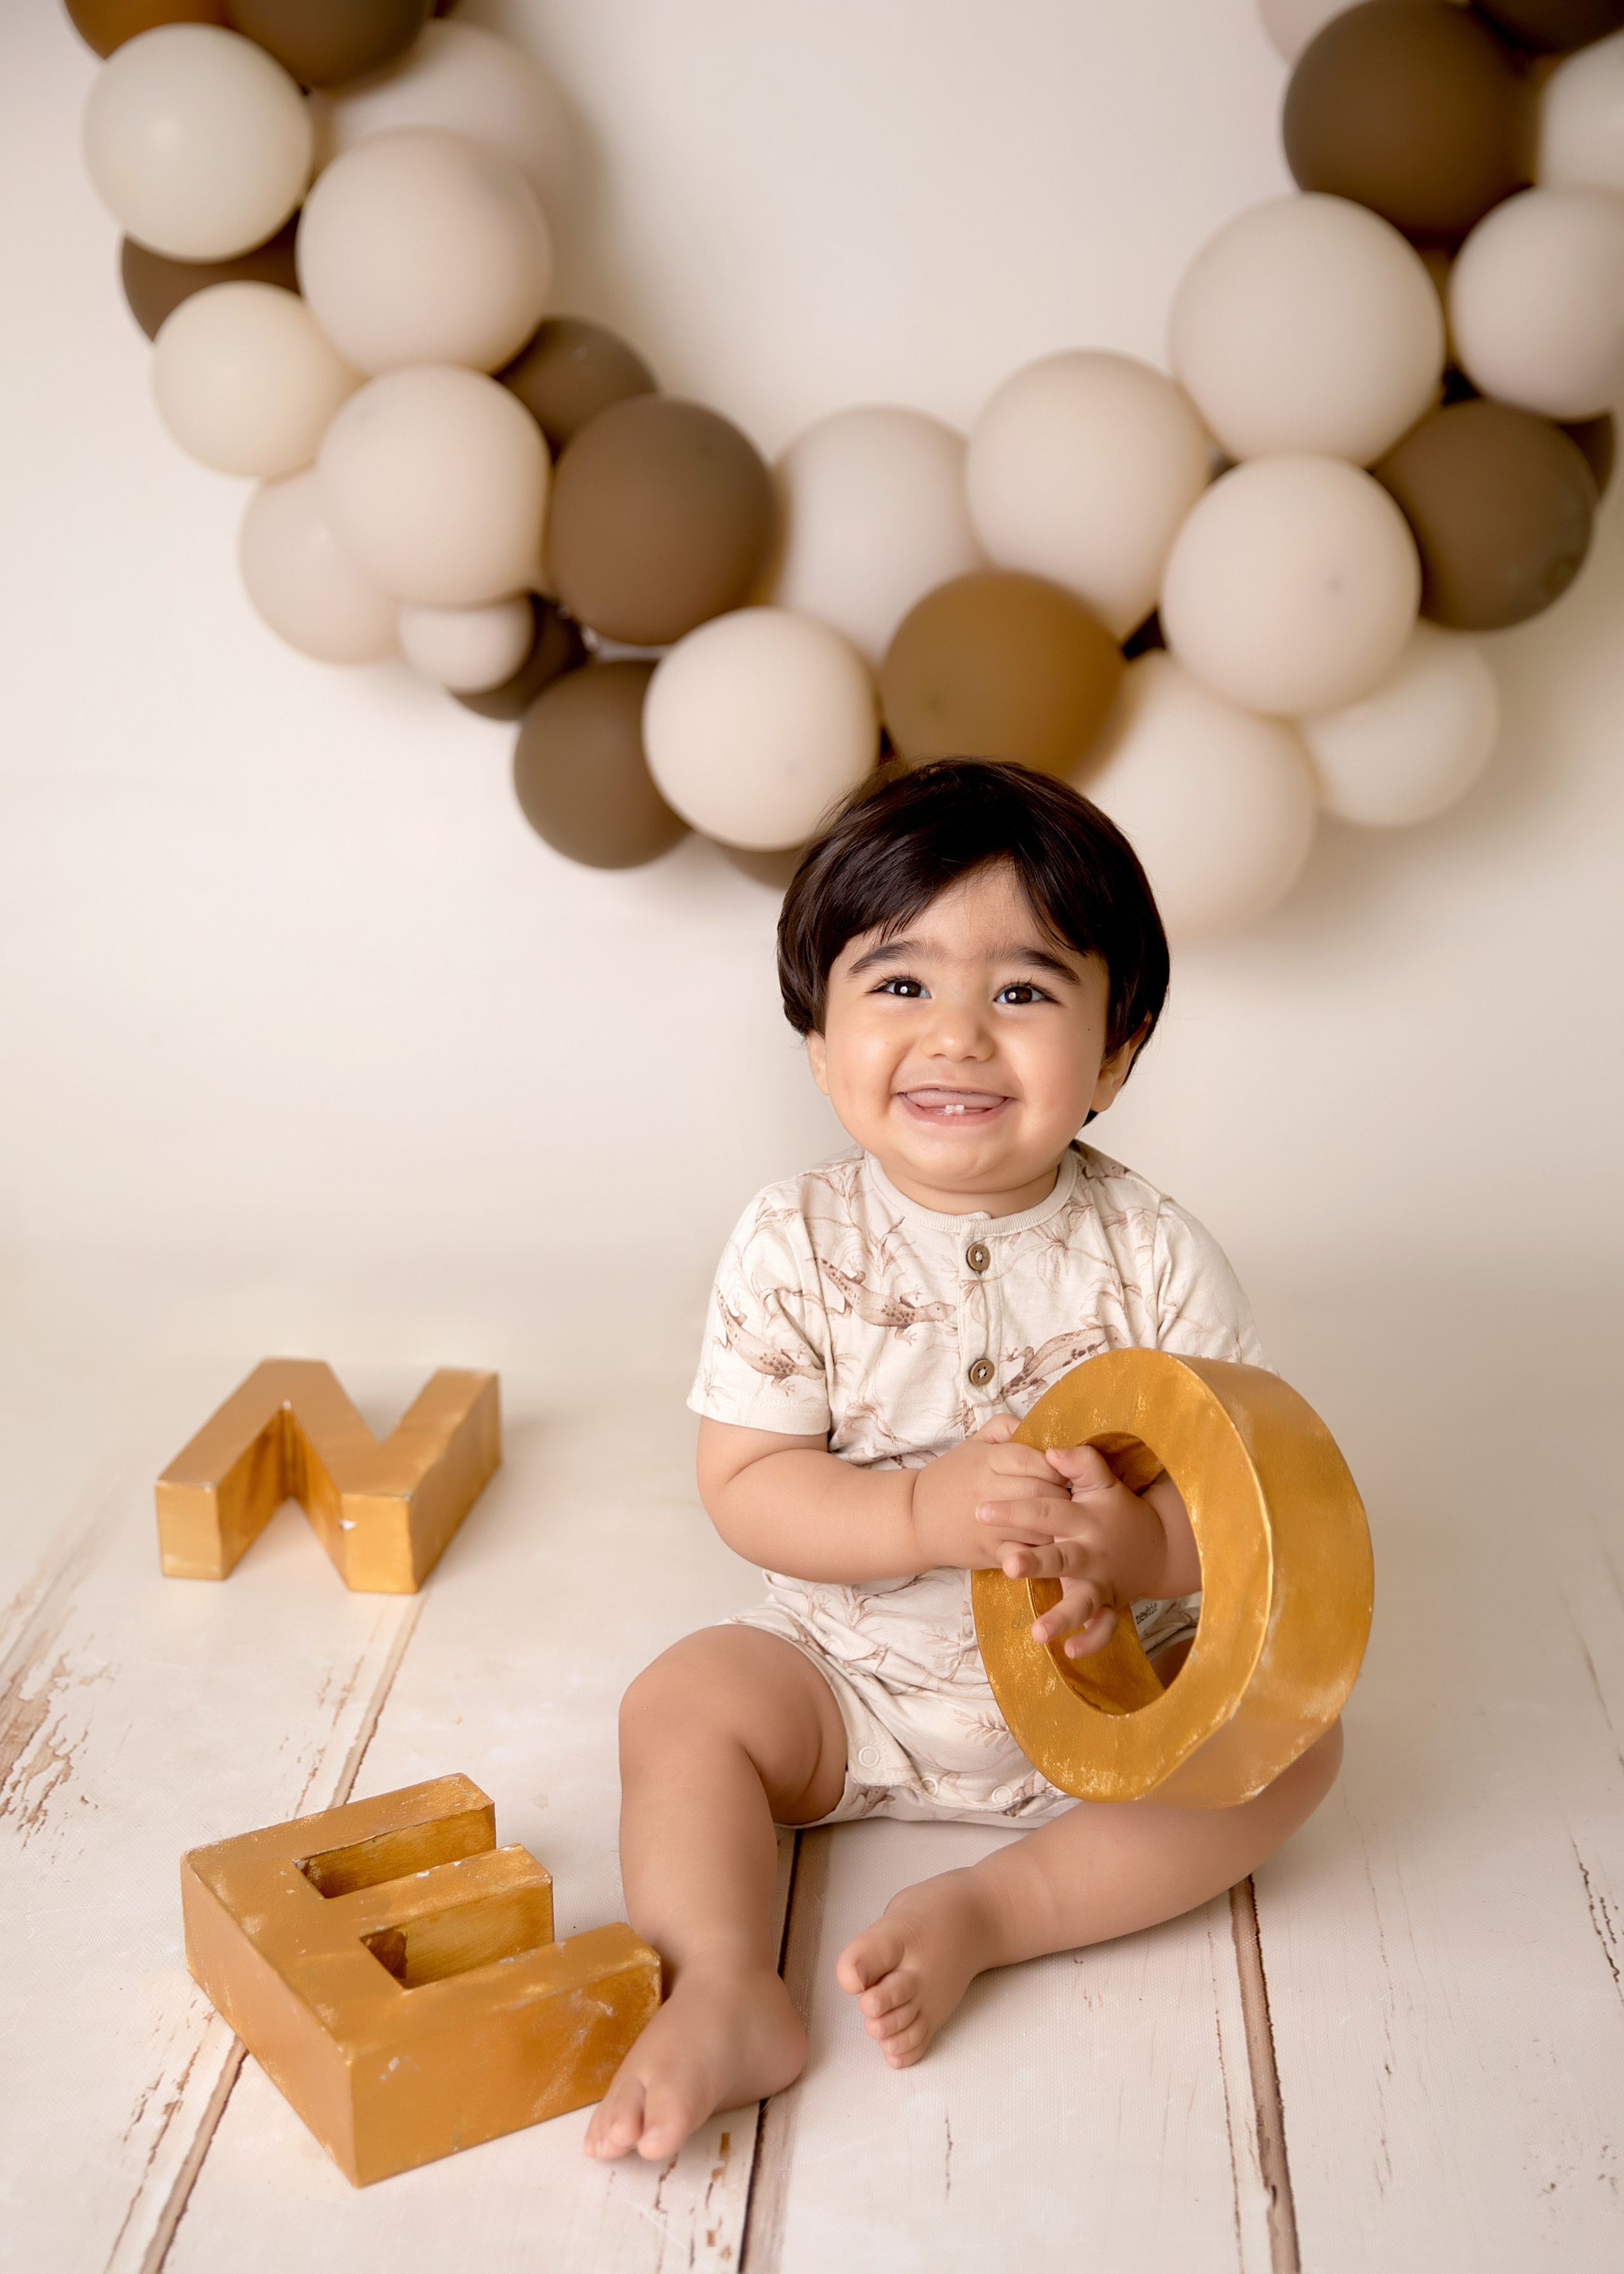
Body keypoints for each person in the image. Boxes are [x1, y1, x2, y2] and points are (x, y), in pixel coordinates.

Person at [585, 758, 1342, 2163]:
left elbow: (1238, 1512)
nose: (956, 1037)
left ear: (1117, 1046)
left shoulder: (1159, 1257)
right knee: (682, 1701)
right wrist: (921, 1512)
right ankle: (719, 1981)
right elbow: (747, 1484)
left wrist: (1133, 1551)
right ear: (814, 1037)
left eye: (1021, 991)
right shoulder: (789, 1242)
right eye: (897, 985)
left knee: (1294, 1753)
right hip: (848, 1683)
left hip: (1108, 1697)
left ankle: (999, 1908)